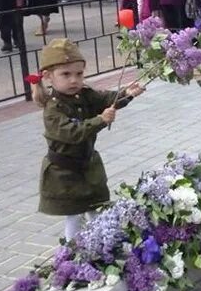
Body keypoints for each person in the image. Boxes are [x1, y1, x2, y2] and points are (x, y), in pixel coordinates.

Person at [31, 38, 145, 240]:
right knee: (74, 215)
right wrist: (100, 120)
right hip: (64, 173)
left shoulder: (83, 94)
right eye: (66, 74)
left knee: (96, 208)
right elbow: (73, 132)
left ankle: (102, 243)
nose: (74, 80)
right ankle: (71, 253)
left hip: (88, 166)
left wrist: (126, 93)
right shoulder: (53, 109)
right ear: (48, 76)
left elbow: (105, 100)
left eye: (79, 74)